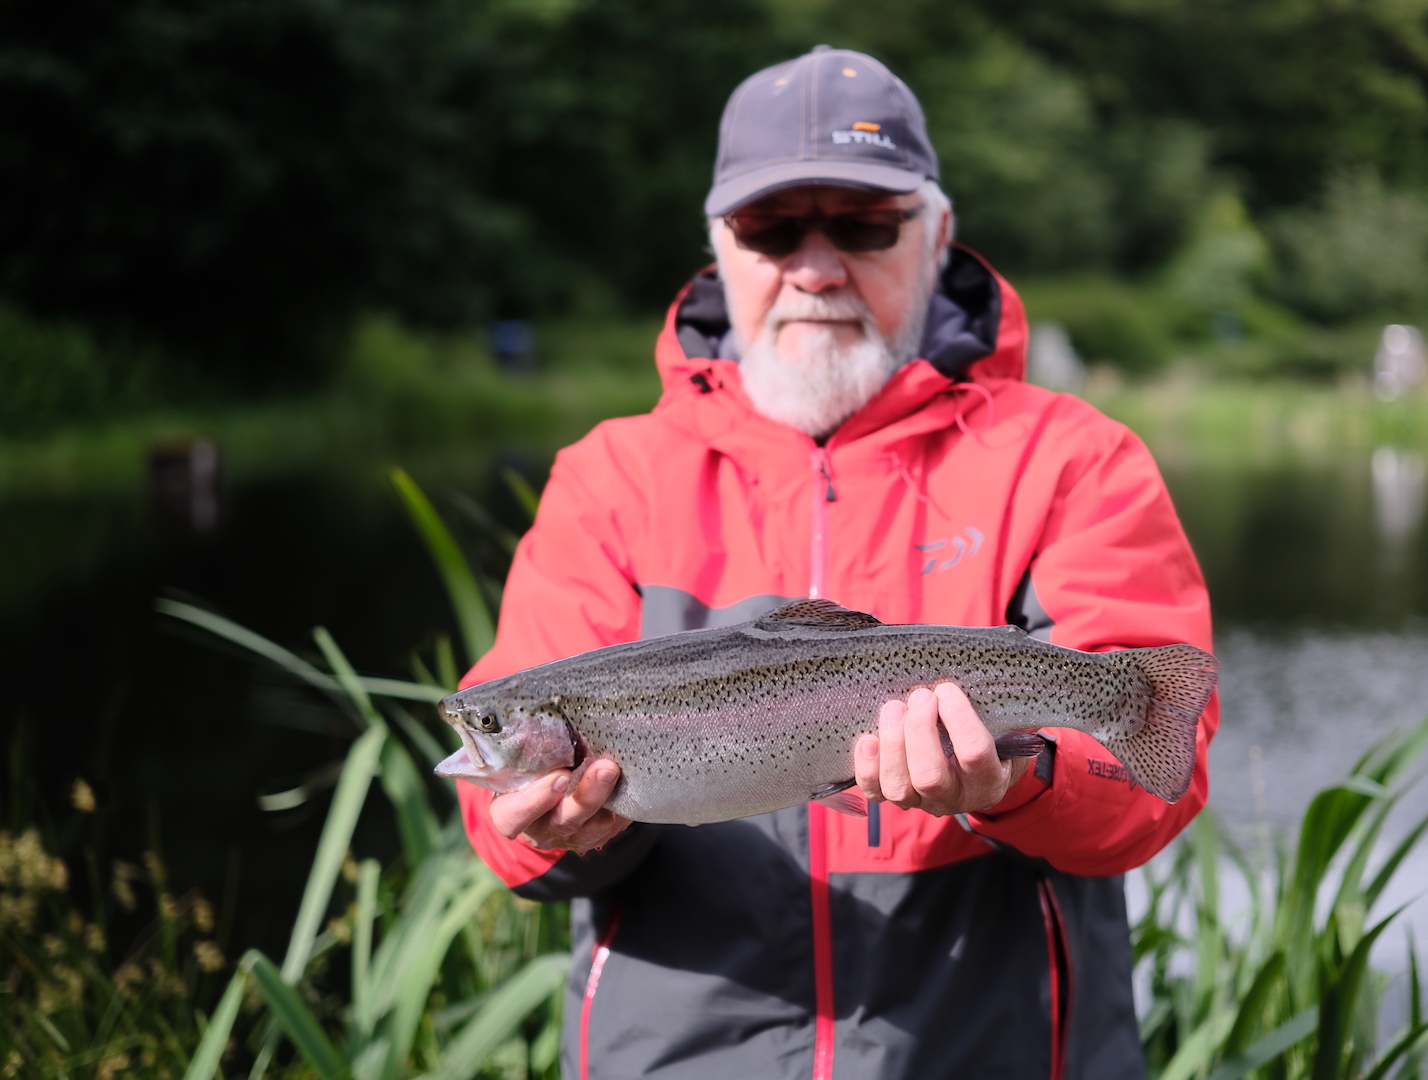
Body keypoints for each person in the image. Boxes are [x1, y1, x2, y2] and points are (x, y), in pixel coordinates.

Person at [457, 45, 1217, 1080]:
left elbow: (1154, 790)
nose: (816, 266)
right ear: (719, 246)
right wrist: (561, 830)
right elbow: (501, 838)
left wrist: (1014, 782)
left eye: (863, 224)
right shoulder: (609, 478)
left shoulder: (1073, 459)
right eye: (773, 228)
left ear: (937, 235)